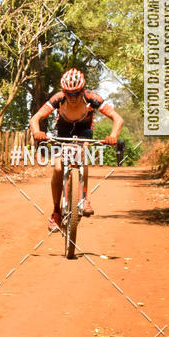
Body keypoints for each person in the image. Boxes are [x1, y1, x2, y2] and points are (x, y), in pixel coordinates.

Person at [29, 68, 124, 231]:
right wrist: (37, 132)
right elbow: (35, 118)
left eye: (76, 93)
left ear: (82, 91)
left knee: (82, 154)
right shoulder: (58, 99)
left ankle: (84, 198)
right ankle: (56, 212)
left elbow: (118, 118)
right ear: (63, 92)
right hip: (62, 130)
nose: (72, 98)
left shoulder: (92, 98)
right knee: (58, 168)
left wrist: (113, 135)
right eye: (68, 93)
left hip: (83, 130)